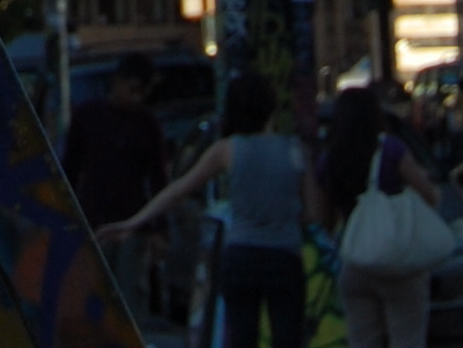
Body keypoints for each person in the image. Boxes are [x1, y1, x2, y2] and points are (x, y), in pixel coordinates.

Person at [100, 65, 318, 348]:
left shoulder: (227, 150)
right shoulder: (294, 150)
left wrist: (134, 221)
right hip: (284, 257)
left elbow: (179, 189)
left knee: (242, 336)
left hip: (241, 256)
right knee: (287, 337)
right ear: (271, 106)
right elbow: (313, 213)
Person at [320, 86, 444, 348]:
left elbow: (325, 220)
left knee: (362, 340)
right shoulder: (391, 149)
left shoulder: (330, 158)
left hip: (356, 263)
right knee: (407, 338)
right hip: (399, 263)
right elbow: (429, 195)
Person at [61, 58, 169, 318]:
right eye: (133, 89)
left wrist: (159, 229)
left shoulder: (147, 124)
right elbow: (70, 169)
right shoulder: (88, 117)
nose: (136, 98)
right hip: (95, 216)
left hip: (133, 219)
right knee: (94, 290)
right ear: (118, 82)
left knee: (130, 292)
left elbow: (157, 178)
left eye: (142, 93)